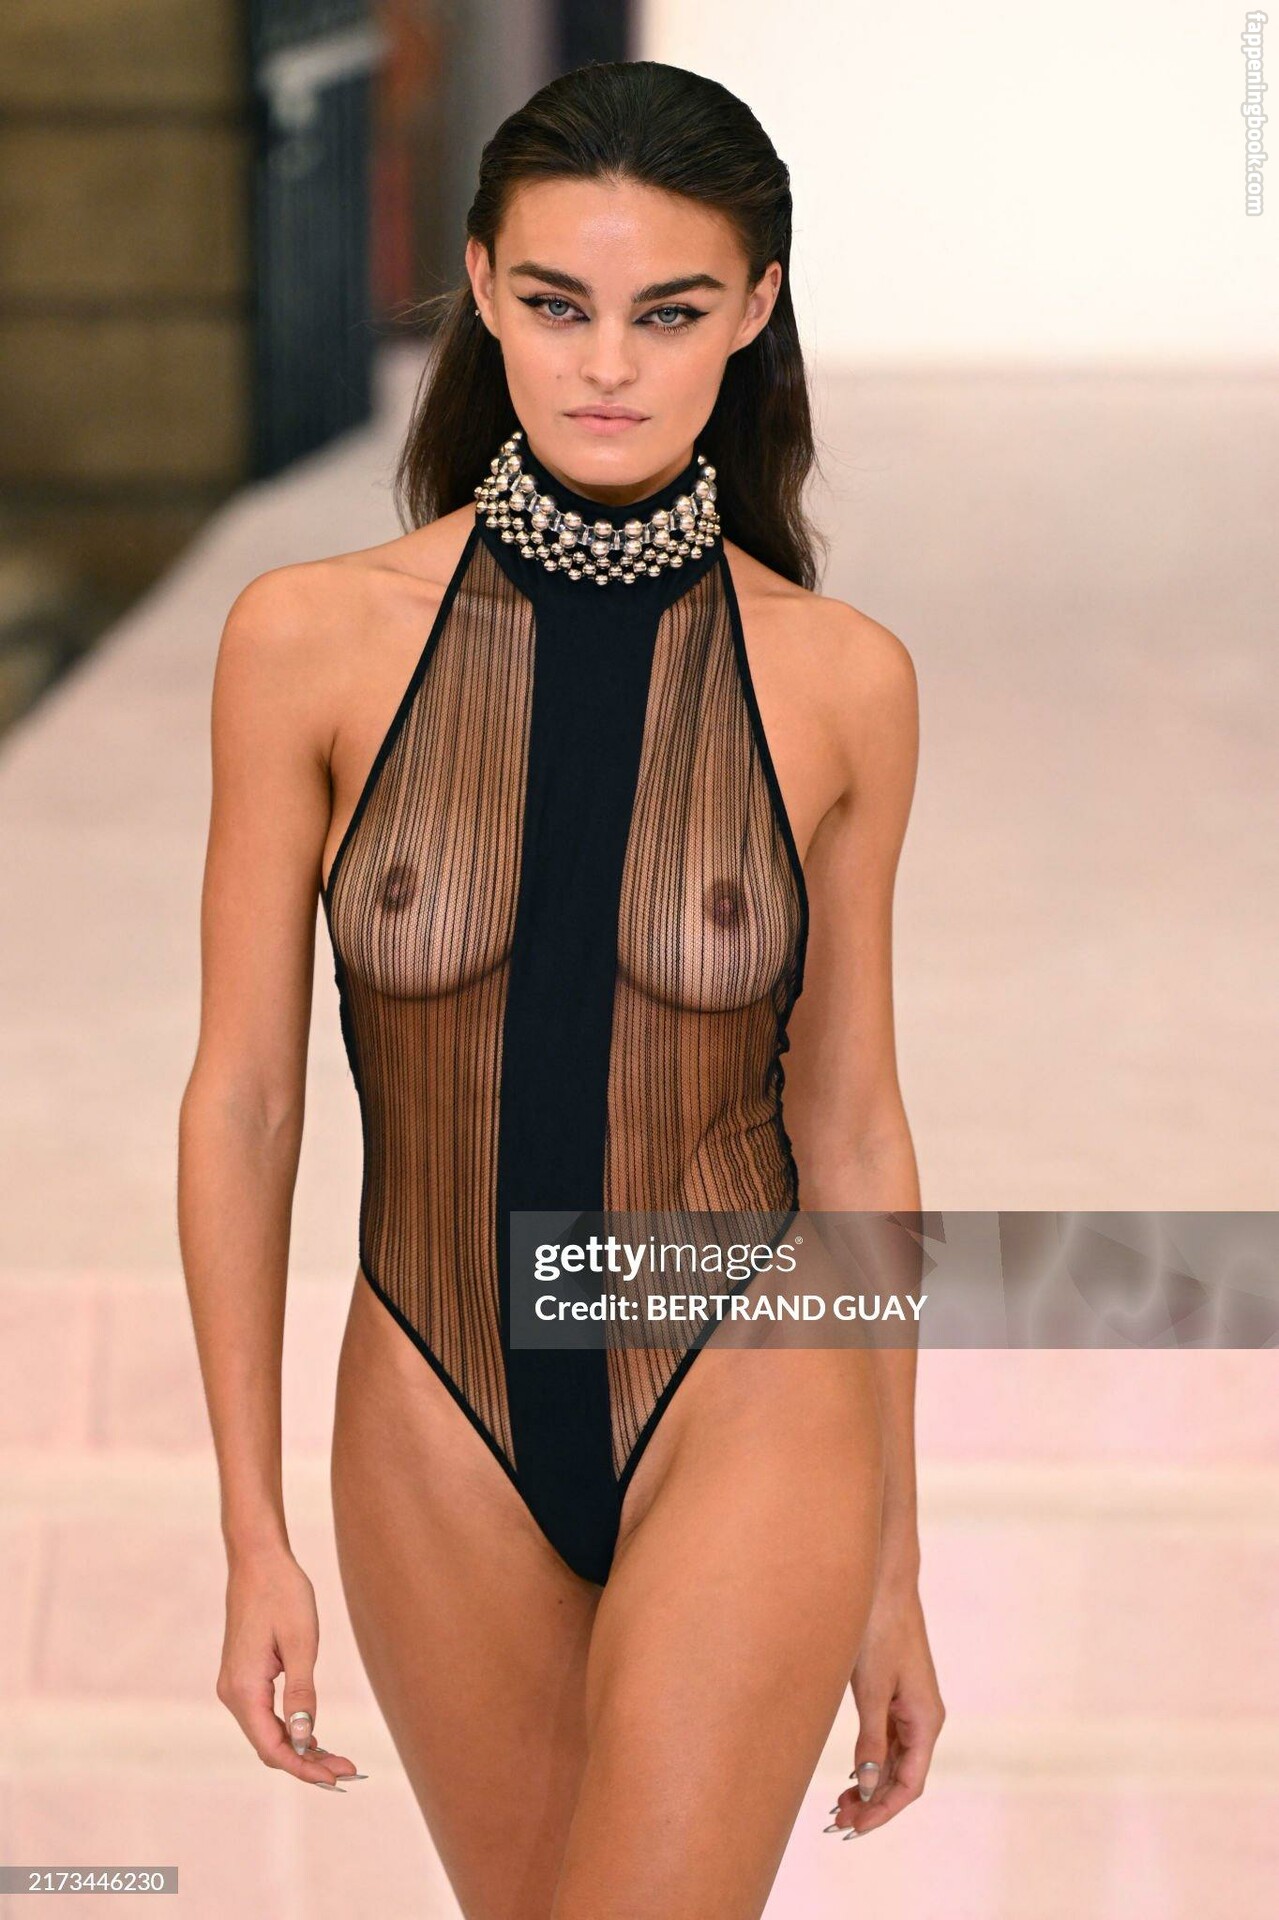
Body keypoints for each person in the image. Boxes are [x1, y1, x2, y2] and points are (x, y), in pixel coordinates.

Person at [177, 58, 943, 1920]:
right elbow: (247, 1100)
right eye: (554, 304)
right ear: (480, 288)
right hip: (431, 1397)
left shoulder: (843, 681)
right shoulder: (304, 642)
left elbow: (852, 1126)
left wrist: (894, 1558)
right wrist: (249, 1527)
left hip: (745, 1363)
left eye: (669, 313)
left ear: (754, 310)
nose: (607, 365)